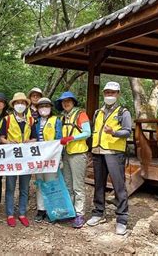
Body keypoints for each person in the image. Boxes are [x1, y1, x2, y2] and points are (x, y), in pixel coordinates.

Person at [86, 82, 131, 236]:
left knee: (118, 185)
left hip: (114, 152)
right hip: (98, 151)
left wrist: (114, 132)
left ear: (118, 94)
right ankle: (98, 213)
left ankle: (122, 219)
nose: (109, 95)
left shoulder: (123, 112)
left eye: (112, 93)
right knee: (99, 184)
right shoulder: (98, 112)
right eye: (107, 92)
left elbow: (127, 131)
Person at [0, 92, 37, 227]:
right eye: (17, 103)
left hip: (26, 159)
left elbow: (35, 137)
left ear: (26, 105)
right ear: (13, 105)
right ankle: (10, 214)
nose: (20, 105)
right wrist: (8, 142)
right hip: (11, 158)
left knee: (24, 187)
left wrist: (30, 141)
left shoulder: (31, 120)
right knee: (10, 187)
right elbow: (1, 137)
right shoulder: (7, 119)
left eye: (22, 103)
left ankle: (22, 213)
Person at [54, 91, 91, 228]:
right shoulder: (63, 118)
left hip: (78, 153)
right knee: (68, 184)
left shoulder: (80, 114)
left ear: (73, 102)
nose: (66, 103)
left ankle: (79, 214)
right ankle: (70, 212)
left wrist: (72, 138)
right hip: (66, 154)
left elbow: (87, 132)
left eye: (68, 100)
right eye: (63, 101)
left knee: (78, 185)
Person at [32, 98, 62, 223]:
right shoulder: (35, 122)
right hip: (39, 158)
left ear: (51, 107)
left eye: (46, 106)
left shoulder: (56, 121)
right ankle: (41, 209)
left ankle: (53, 209)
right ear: (37, 109)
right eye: (41, 106)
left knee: (51, 183)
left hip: (51, 157)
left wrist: (58, 157)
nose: (44, 108)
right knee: (40, 183)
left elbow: (59, 138)